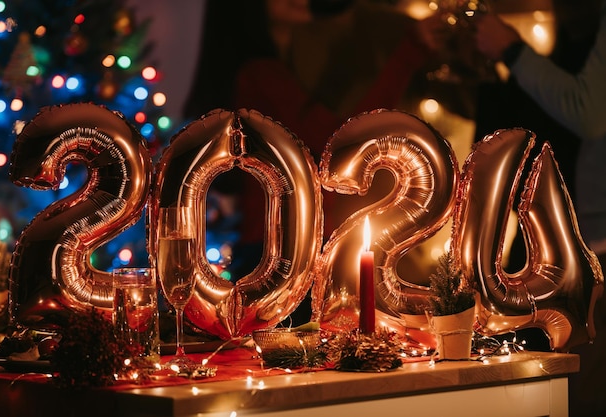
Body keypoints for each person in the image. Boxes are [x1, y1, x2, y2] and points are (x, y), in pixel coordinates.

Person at [184, 0, 443, 283]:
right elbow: (340, 139)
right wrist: (410, 52)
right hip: (281, 255)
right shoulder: (260, 73)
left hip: (285, 245)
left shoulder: (288, 66)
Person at [474, 2, 606, 415]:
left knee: (578, 388)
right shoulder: (577, 30)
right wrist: (494, 73)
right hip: (558, 233)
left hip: (590, 239)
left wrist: (513, 51)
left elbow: (588, 113)